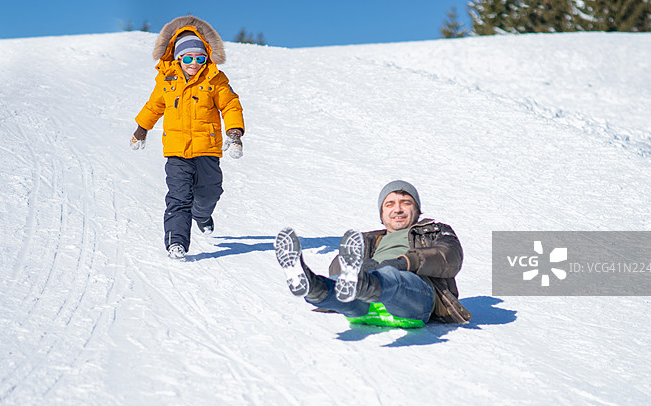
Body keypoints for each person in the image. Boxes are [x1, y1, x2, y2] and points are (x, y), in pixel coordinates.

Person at [275, 180, 472, 327]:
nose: (398, 209)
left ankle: (366, 283)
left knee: (392, 277)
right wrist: (363, 267)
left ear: (417, 210)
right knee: (345, 290)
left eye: (405, 202)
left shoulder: (435, 230)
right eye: (390, 204)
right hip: (369, 303)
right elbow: (337, 268)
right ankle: (312, 287)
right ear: (381, 214)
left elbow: (450, 255)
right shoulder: (368, 240)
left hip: (414, 297)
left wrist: (404, 263)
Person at [131, 16, 245, 259]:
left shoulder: (215, 79)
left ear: (206, 58)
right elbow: (153, 107)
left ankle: (202, 215)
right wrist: (141, 130)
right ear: (179, 58)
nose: (194, 63)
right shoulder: (166, 80)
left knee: (210, 192)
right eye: (189, 58)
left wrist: (234, 134)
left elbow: (231, 106)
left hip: (207, 149)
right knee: (178, 197)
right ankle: (176, 241)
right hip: (177, 152)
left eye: (200, 58)